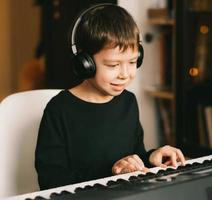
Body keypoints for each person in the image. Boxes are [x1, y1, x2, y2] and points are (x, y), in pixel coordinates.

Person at [35, 4, 185, 190]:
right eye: (113, 65)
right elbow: (50, 181)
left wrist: (151, 157)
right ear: (85, 63)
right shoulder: (59, 109)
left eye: (132, 62)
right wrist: (112, 173)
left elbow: (133, 157)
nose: (124, 74)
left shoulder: (128, 102)